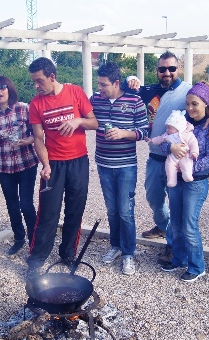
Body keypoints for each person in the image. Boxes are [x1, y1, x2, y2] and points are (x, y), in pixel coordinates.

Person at [122, 51, 209, 242]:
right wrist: (131, 79)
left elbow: (208, 103)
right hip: (155, 156)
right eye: (162, 69)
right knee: (153, 198)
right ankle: (163, 226)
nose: (167, 73)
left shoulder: (187, 90)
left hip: (178, 159)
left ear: (179, 69)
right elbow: (126, 88)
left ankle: (174, 241)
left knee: (178, 205)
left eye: (172, 68)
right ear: (157, 70)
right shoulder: (150, 90)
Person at [26, 57, 98, 277]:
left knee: (75, 210)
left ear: (52, 77)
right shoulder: (36, 104)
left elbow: (94, 122)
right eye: (34, 82)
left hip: (79, 161)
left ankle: (67, 253)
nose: (36, 86)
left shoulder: (75, 92)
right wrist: (45, 164)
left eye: (39, 81)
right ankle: (36, 261)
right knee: (47, 213)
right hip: (54, 164)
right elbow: (38, 139)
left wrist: (78, 121)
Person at [157, 81, 209, 282]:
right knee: (175, 222)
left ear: (205, 104)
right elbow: (164, 143)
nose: (190, 108)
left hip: (196, 182)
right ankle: (179, 258)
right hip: (176, 179)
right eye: (188, 104)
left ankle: (197, 265)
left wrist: (189, 167)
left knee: (189, 225)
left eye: (195, 104)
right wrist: (171, 150)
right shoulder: (179, 120)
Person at [90, 62, 149, 275]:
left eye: (104, 84)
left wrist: (123, 133)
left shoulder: (135, 100)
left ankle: (128, 253)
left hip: (126, 166)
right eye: (98, 84)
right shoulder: (96, 99)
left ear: (116, 83)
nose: (100, 88)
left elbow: (144, 132)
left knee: (125, 211)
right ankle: (115, 246)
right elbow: (84, 116)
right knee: (112, 210)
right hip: (103, 163)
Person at [0, 76, 39, 255]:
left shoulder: (24, 109)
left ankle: (35, 241)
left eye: (2, 87)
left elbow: (36, 134)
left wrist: (26, 141)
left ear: (9, 89)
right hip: (5, 167)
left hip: (26, 164)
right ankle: (19, 238)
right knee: (12, 205)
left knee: (26, 204)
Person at [148, 110, 199, 187]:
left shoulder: (187, 134)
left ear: (178, 128)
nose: (167, 130)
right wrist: (151, 140)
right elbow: (160, 139)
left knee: (187, 164)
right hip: (172, 156)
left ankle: (187, 175)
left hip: (185, 155)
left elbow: (194, 143)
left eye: (169, 128)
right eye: (167, 127)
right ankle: (171, 180)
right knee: (169, 166)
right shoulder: (166, 135)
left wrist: (194, 152)